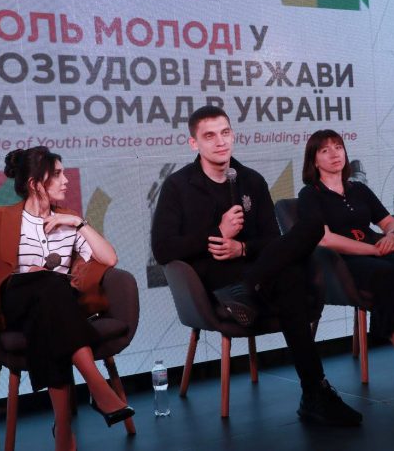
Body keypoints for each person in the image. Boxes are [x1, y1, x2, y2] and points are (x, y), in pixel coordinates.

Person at [151, 105, 362, 426]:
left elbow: (271, 241)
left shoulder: (250, 180)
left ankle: (250, 287)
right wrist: (217, 233)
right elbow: (162, 248)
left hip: (256, 269)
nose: (220, 142)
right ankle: (315, 392)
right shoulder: (178, 186)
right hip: (214, 277)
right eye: (210, 136)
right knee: (292, 277)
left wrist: (242, 247)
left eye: (225, 133)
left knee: (310, 229)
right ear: (194, 143)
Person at [0, 147, 134, 451]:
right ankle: (97, 386)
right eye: (57, 174)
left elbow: (109, 258)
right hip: (15, 303)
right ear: (34, 183)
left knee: (51, 295)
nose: (66, 180)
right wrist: (26, 274)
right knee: (46, 283)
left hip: (51, 310)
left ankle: (64, 427)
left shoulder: (68, 220)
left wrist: (79, 223)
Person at [297, 130, 394, 386]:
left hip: (378, 249)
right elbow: (325, 239)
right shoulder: (310, 195)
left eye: (338, 147)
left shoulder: (358, 189)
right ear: (314, 160)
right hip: (342, 261)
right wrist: (372, 250)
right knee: (384, 274)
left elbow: (390, 221)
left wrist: (392, 235)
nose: (335, 154)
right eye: (325, 150)